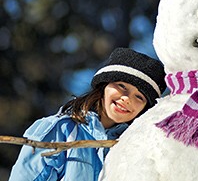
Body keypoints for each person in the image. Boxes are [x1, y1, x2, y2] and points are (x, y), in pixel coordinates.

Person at [9, 47, 166, 181]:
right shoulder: (62, 130)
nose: (126, 98)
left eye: (139, 97)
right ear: (105, 85)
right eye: (121, 86)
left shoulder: (133, 147)